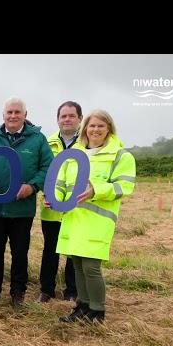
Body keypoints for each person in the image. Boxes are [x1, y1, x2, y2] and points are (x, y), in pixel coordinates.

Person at [52, 109, 136, 323]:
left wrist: (95, 190)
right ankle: (83, 307)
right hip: (73, 217)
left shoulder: (120, 155)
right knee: (78, 264)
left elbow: (123, 186)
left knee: (91, 266)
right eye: (92, 125)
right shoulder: (75, 154)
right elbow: (62, 181)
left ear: (109, 129)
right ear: (85, 129)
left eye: (101, 125)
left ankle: (98, 311)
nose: (96, 129)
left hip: (98, 221)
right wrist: (56, 199)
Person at [0, 97, 53, 309]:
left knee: (20, 252)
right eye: (9, 112)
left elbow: (47, 167)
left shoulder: (38, 139)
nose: (13, 116)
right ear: (3, 115)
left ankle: (18, 293)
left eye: (17, 112)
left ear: (25, 115)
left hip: (22, 210)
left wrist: (33, 186)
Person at [37, 101, 81, 303]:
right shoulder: (47, 143)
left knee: (73, 250)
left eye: (71, 116)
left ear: (80, 119)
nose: (67, 119)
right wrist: (46, 194)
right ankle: (46, 290)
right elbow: (42, 171)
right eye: (63, 116)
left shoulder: (87, 143)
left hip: (77, 208)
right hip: (51, 208)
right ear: (57, 120)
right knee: (50, 249)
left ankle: (72, 290)